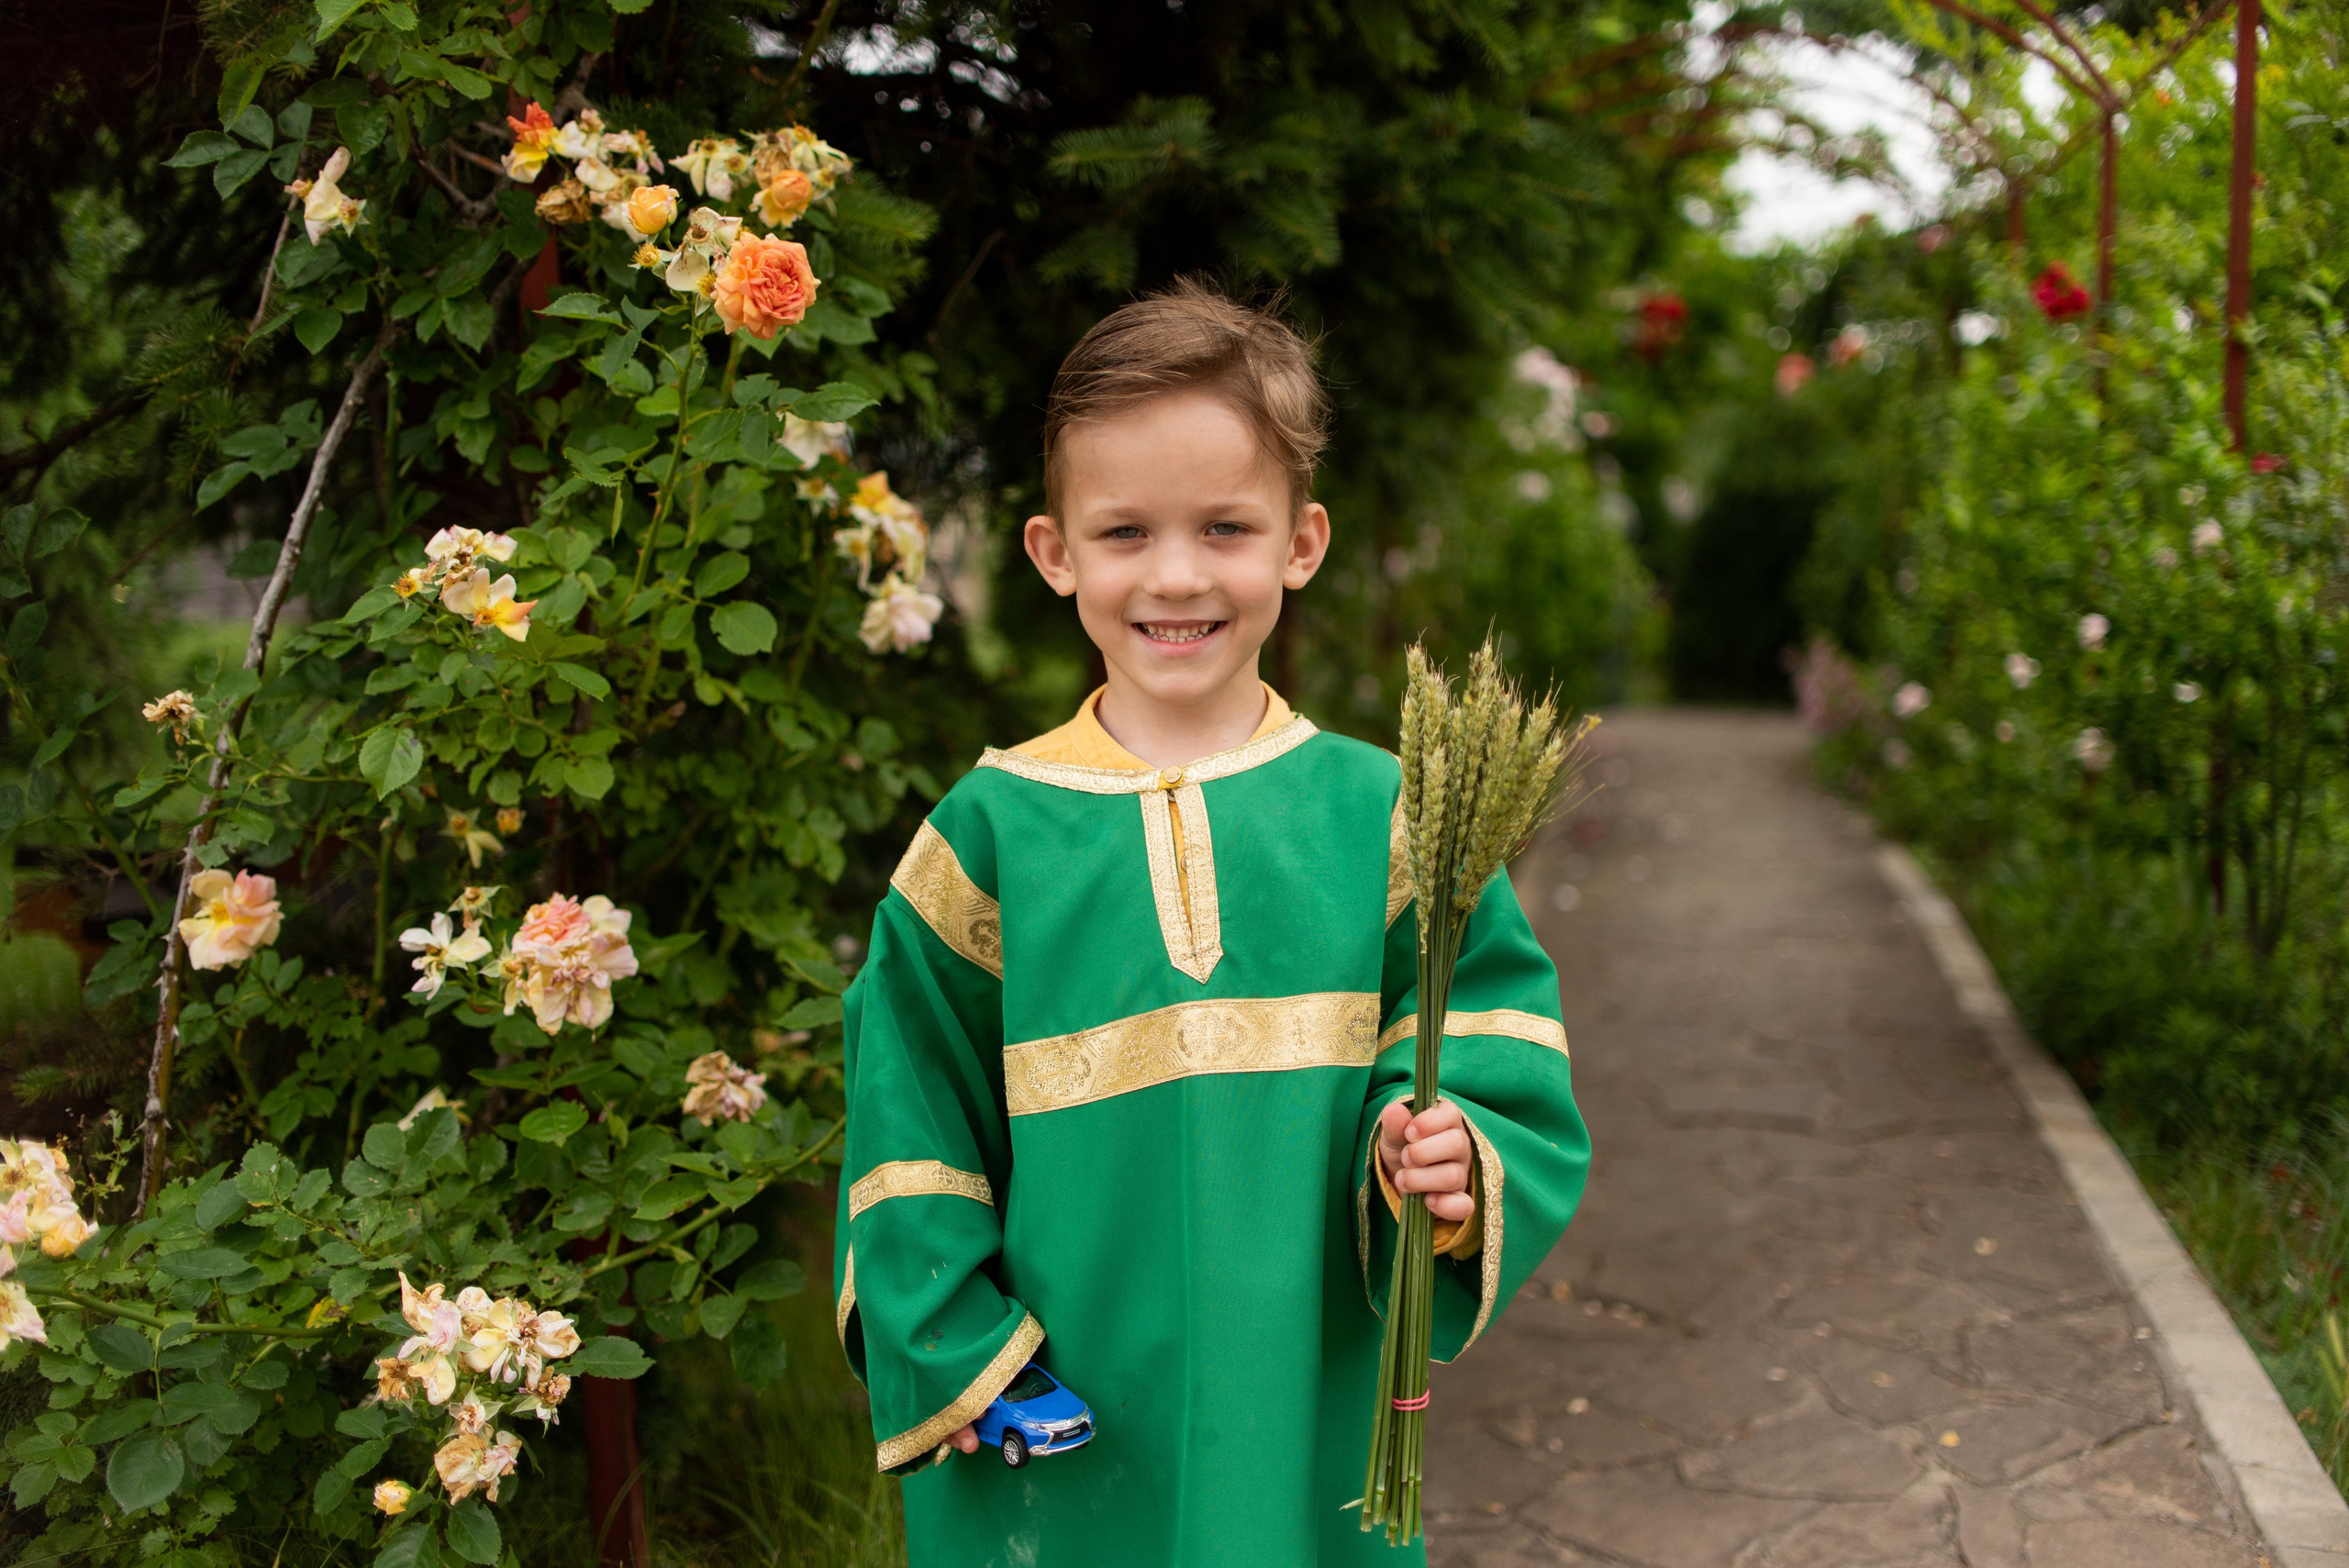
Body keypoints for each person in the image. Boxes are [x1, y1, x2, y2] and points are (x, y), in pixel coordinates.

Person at [832, 280, 1590, 1565]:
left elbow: (1485, 1036)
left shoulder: (1388, 814)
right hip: (1062, 1417)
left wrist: (1455, 1157)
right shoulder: (988, 834)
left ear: (1301, 542)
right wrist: (958, 1347)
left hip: (1302, 1397)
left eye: (1226, 527)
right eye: (1124, 531)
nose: (1176, 574)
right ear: (1053, 550)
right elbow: (908, 1114)